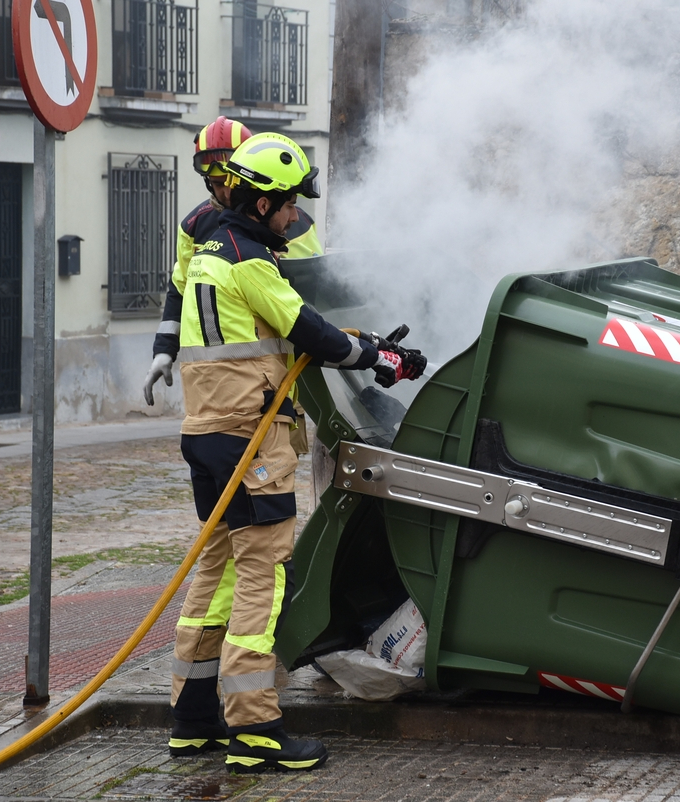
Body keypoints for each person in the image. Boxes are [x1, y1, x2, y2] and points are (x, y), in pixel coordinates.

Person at [166, 131, 427, 773]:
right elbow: (310, 331)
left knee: (217, 576)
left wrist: (366, 343)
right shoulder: (251, 262)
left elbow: (283, 328)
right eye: (288, 206)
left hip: (208, 436)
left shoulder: (210, 253)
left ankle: (193, 721)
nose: (295, 217)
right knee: (262, 579)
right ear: (260, 205)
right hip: (251, 444)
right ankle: (256, 730)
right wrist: (381, 359)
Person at [143, 116, 253, 408]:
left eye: (232, 182)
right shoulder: (194, 226)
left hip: (273, 369)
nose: (226, 193)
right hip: (209, 377)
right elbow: (180, 289)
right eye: (218, 184)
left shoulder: (285, 219)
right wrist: (163, 350)